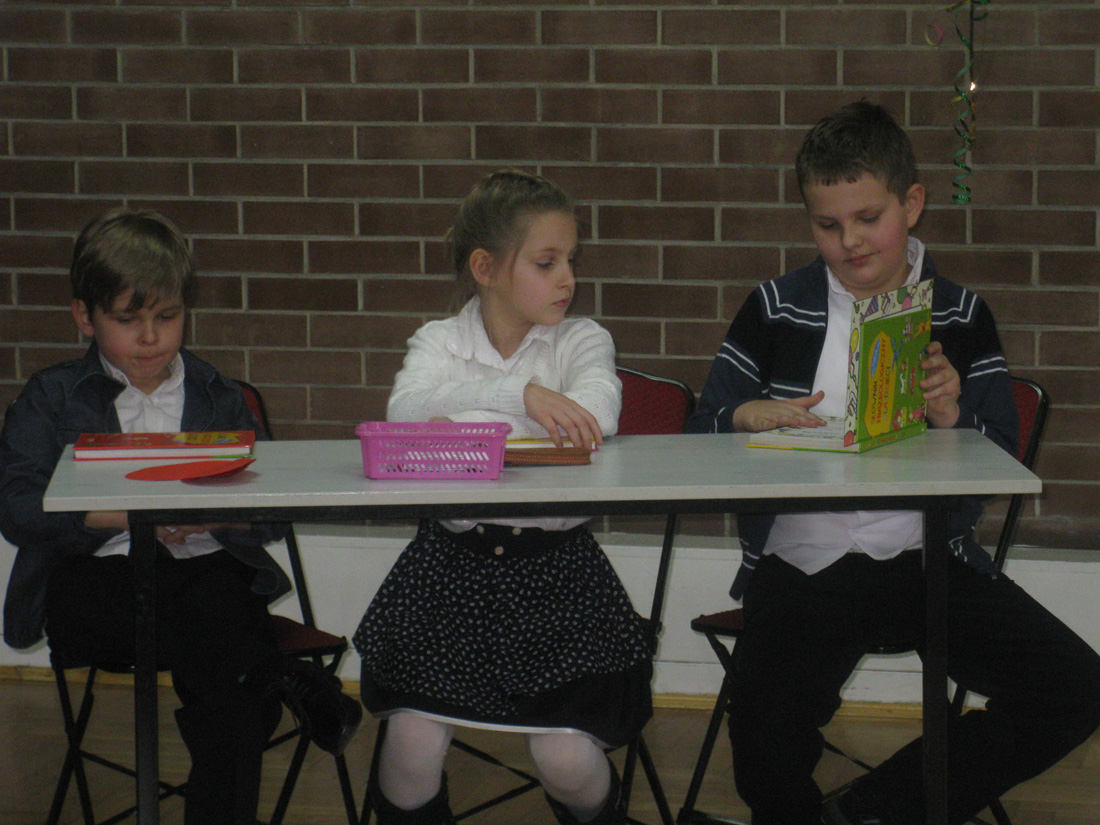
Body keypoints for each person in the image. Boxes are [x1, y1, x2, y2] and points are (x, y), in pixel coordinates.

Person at [685, 101, 1100, 825]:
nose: (848, 242)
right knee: (763, 735)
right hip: (804, 558)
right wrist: (744, 416)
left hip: (925, 556)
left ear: (912, 204)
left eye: (868, 218)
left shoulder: (960, 314)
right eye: (826, 225)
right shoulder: (776, 307)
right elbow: (701, 434)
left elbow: (1002, 454)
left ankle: (874, 809)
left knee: (1075, 687)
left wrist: (953, 417)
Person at [0, 207, 361, 825]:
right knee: (230, 646)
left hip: (204, 582)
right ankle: (281, 676)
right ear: (84, 317)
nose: (150, 338)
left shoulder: (218, 396)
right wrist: (121, 516)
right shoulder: (52, 396)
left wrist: (215, 515)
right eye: (127, 320)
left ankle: (261, 680)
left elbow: (273, 515)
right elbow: (16, 509)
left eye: (167, 317)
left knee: (224, 644)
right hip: (97, 583)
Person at [353, 170, 653, 825]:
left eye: (571, 260)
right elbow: (403, 414)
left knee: (566, 758)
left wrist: (468, 419)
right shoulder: (438, 340)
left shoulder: (583, 339)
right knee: (409, 747)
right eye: (547, 263)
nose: (567, 278)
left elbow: (595, 417)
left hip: (557, 576)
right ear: (485, 268)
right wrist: (519, 396)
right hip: (447, 572)